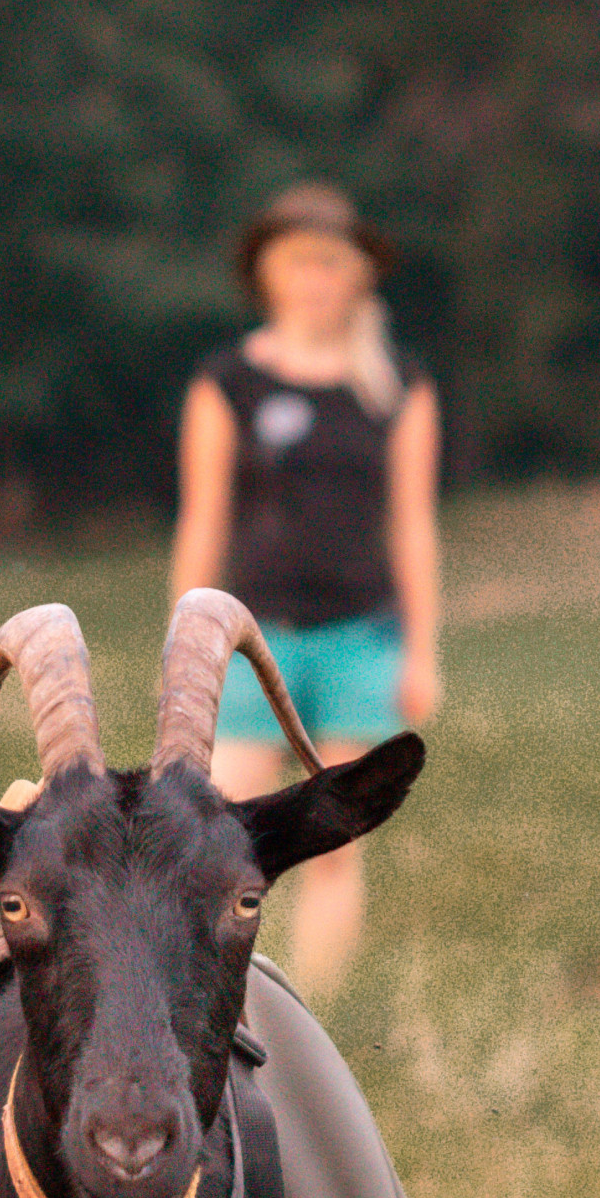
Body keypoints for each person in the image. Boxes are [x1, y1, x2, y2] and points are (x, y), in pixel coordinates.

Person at [171, 182, 441, 995]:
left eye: (330, 264)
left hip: (362, 635)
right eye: (298, 263)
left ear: (357, 276)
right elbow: (203, 519)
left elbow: (413, 524)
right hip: (256, 642)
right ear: (267, 273)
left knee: (333, 842)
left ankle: (318, 1011)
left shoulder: (398, 386)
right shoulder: (227, 382)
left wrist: (421, 652)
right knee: (217, 839)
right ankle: (213, 999)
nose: (314, 281)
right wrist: (188, 647)